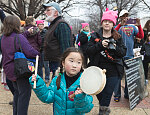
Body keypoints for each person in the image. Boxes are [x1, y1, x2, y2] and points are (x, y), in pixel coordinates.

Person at [29, 47, 93, 115]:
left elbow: (86, 108)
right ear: (63, 63)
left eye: (79, 62)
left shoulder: (84, 83)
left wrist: (80, 97)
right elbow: (47, 97)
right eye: (71, 61)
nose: (74, 65)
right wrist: (38, 84)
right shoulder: (56, 80)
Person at [86, 8, 126, 115]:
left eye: (109, 21)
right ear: (102, 22)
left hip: (113, 71)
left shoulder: (118, 37)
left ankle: (103, 113)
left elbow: (123, 52)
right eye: (105, 21)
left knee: (107, 95)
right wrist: (100, 45)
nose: (107, 23)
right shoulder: (95, 36)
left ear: (113, 24)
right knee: (100, 94)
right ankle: (104, 108)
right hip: (96, 71)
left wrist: (115, 47)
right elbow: (88, 51)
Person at [1, 15, 39, 115]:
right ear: (16, 25)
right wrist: (38, 54)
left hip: (8, 69)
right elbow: (30, 52)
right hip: (19, 70)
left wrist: (26, 33)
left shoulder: (3, 37)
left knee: (17, 93)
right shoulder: (19, 37)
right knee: (24, 94)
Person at [114, 9, 144, 102]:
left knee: (129, 76)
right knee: (118, 75)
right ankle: (117, 95)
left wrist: (139, 25)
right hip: (119, 55)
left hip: (130, 55)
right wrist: (120, 24)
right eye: (123, 16)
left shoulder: (133, 27)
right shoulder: (118, 27)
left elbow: (141, 36)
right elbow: (112, 34)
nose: (126, 17)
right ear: (120, 17)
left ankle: (127, 94)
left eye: (127, 16)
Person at [43, 2, 73, 79]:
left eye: (48, 10)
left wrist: (63, 66)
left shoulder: (61, 25)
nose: (45, 12)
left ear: (56, 12)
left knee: (59, 85)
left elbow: (66, 48)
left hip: (59, 63)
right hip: (54, 62)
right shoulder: (54, 24)